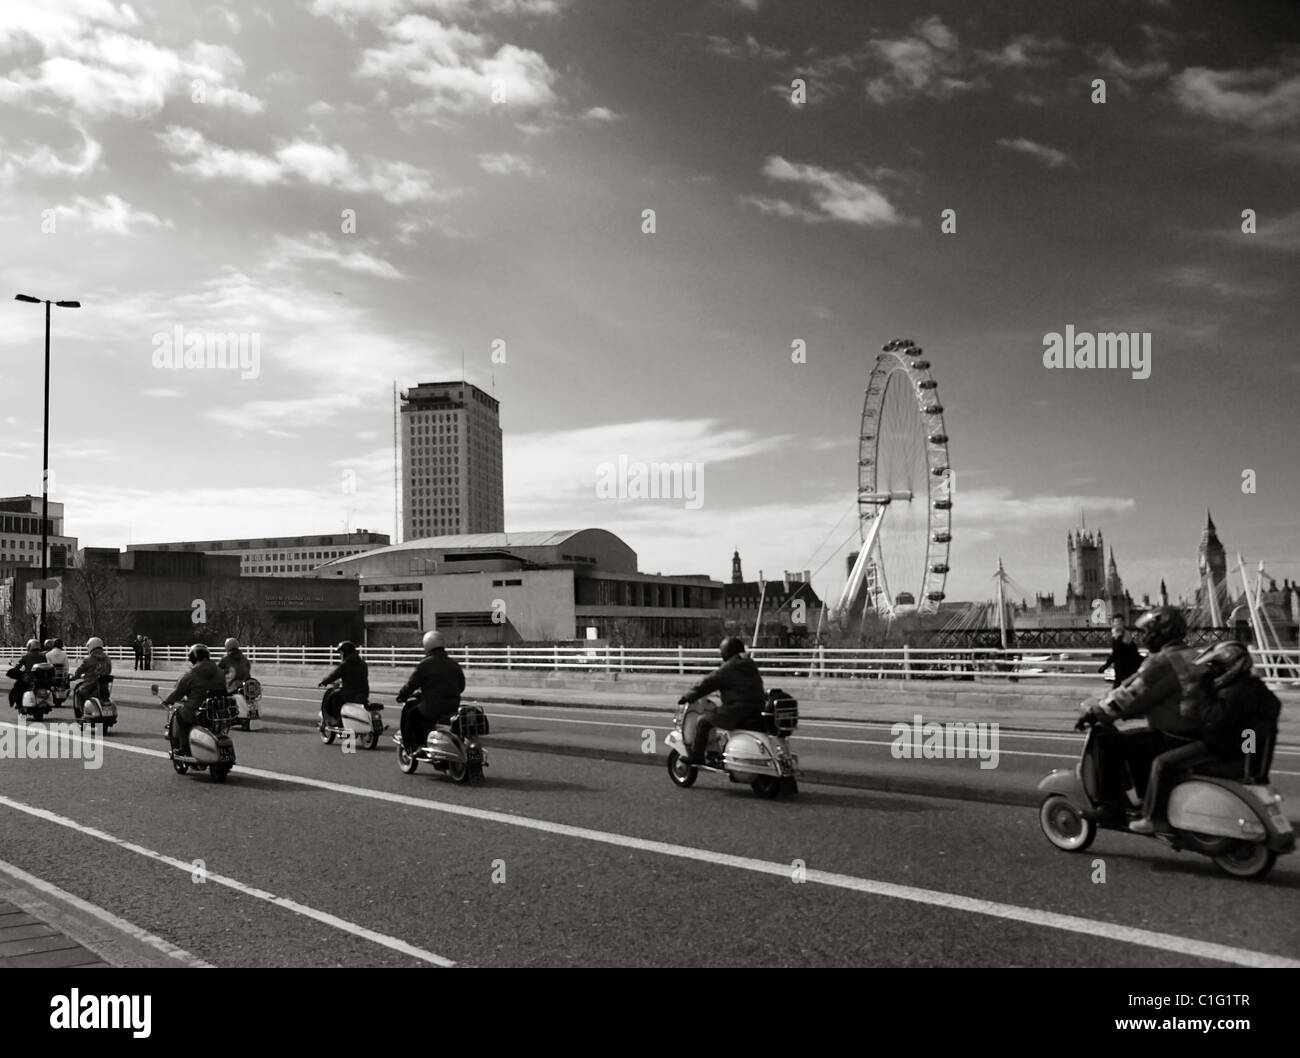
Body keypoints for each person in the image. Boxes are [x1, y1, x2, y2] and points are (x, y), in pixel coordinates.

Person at [1079, 606, 1219, 834]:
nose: (1144, 638)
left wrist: (1098, 711)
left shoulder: (1163, 662)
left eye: (1147, 633)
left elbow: (1131, 695)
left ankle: (1110, 807)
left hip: (1175, 734)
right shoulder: (1193, 655)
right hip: (1197, 730)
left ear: (1159, 633)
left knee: (1106, 742)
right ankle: (1146, 796)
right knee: (1139, 743)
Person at [679, 637, 767, 766]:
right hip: (757, 708)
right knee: (718, 716)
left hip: (738, 709)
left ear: (727, 652)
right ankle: (718, 752)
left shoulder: (730, 667)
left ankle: (697, 757)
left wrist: (688, 696)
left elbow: (708, 682)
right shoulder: (750, 665)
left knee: (703, 722)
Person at [396, 630, 464, 751]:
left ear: (427, 645)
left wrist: (402, 695)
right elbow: (461, 687)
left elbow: (411, 684)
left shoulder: (425, 664)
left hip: (433, 708)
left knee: (412, 714)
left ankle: (418, 746)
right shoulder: (454, 664)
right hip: (453, 707)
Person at [161, 644, 228, 755]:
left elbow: (178, 692)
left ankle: (185, 747)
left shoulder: (191, 675)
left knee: (180, 714)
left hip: (198, 711)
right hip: (218, 710)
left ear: (192, 658)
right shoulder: (220, 673)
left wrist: (167, 701)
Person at [317, 641, 370, 725]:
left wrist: (324, 682)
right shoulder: (363, 663)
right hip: (364, 692)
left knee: (333, 696)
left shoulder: (346, 664)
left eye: (341, 652)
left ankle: (337, 719)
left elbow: (334, 675)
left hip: (350, 693)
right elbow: (355, 677)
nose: (340, 655)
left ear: (346, 652)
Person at [71, 637, 113, 720]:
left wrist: (74, 677)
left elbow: (79, 671)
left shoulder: (88, 659)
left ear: (91, 646)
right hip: (104, 687)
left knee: (78, 692)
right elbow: (109, 671)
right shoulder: (108, 659)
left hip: (90, 687)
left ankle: (82, 713)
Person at [1098, 616, 1141, 688]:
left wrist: (1106, 665)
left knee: (1121, 688)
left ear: (1123, 623)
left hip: (1127, 668)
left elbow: (1117, 653)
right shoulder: (1116, 635)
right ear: (1113, 623)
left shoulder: (1125, 635)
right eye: (1116, 622)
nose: (1118, 624)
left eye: (1120, 622)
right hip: (1120, 668)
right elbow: (1116, 653)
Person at [8, 639, 46, 708]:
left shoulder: (26, 656)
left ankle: (19, 704)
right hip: (41, 680)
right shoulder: (43, 656)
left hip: (28, 679)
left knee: (17, 688)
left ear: (29, 646)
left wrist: (15, 670)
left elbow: (17, 667)